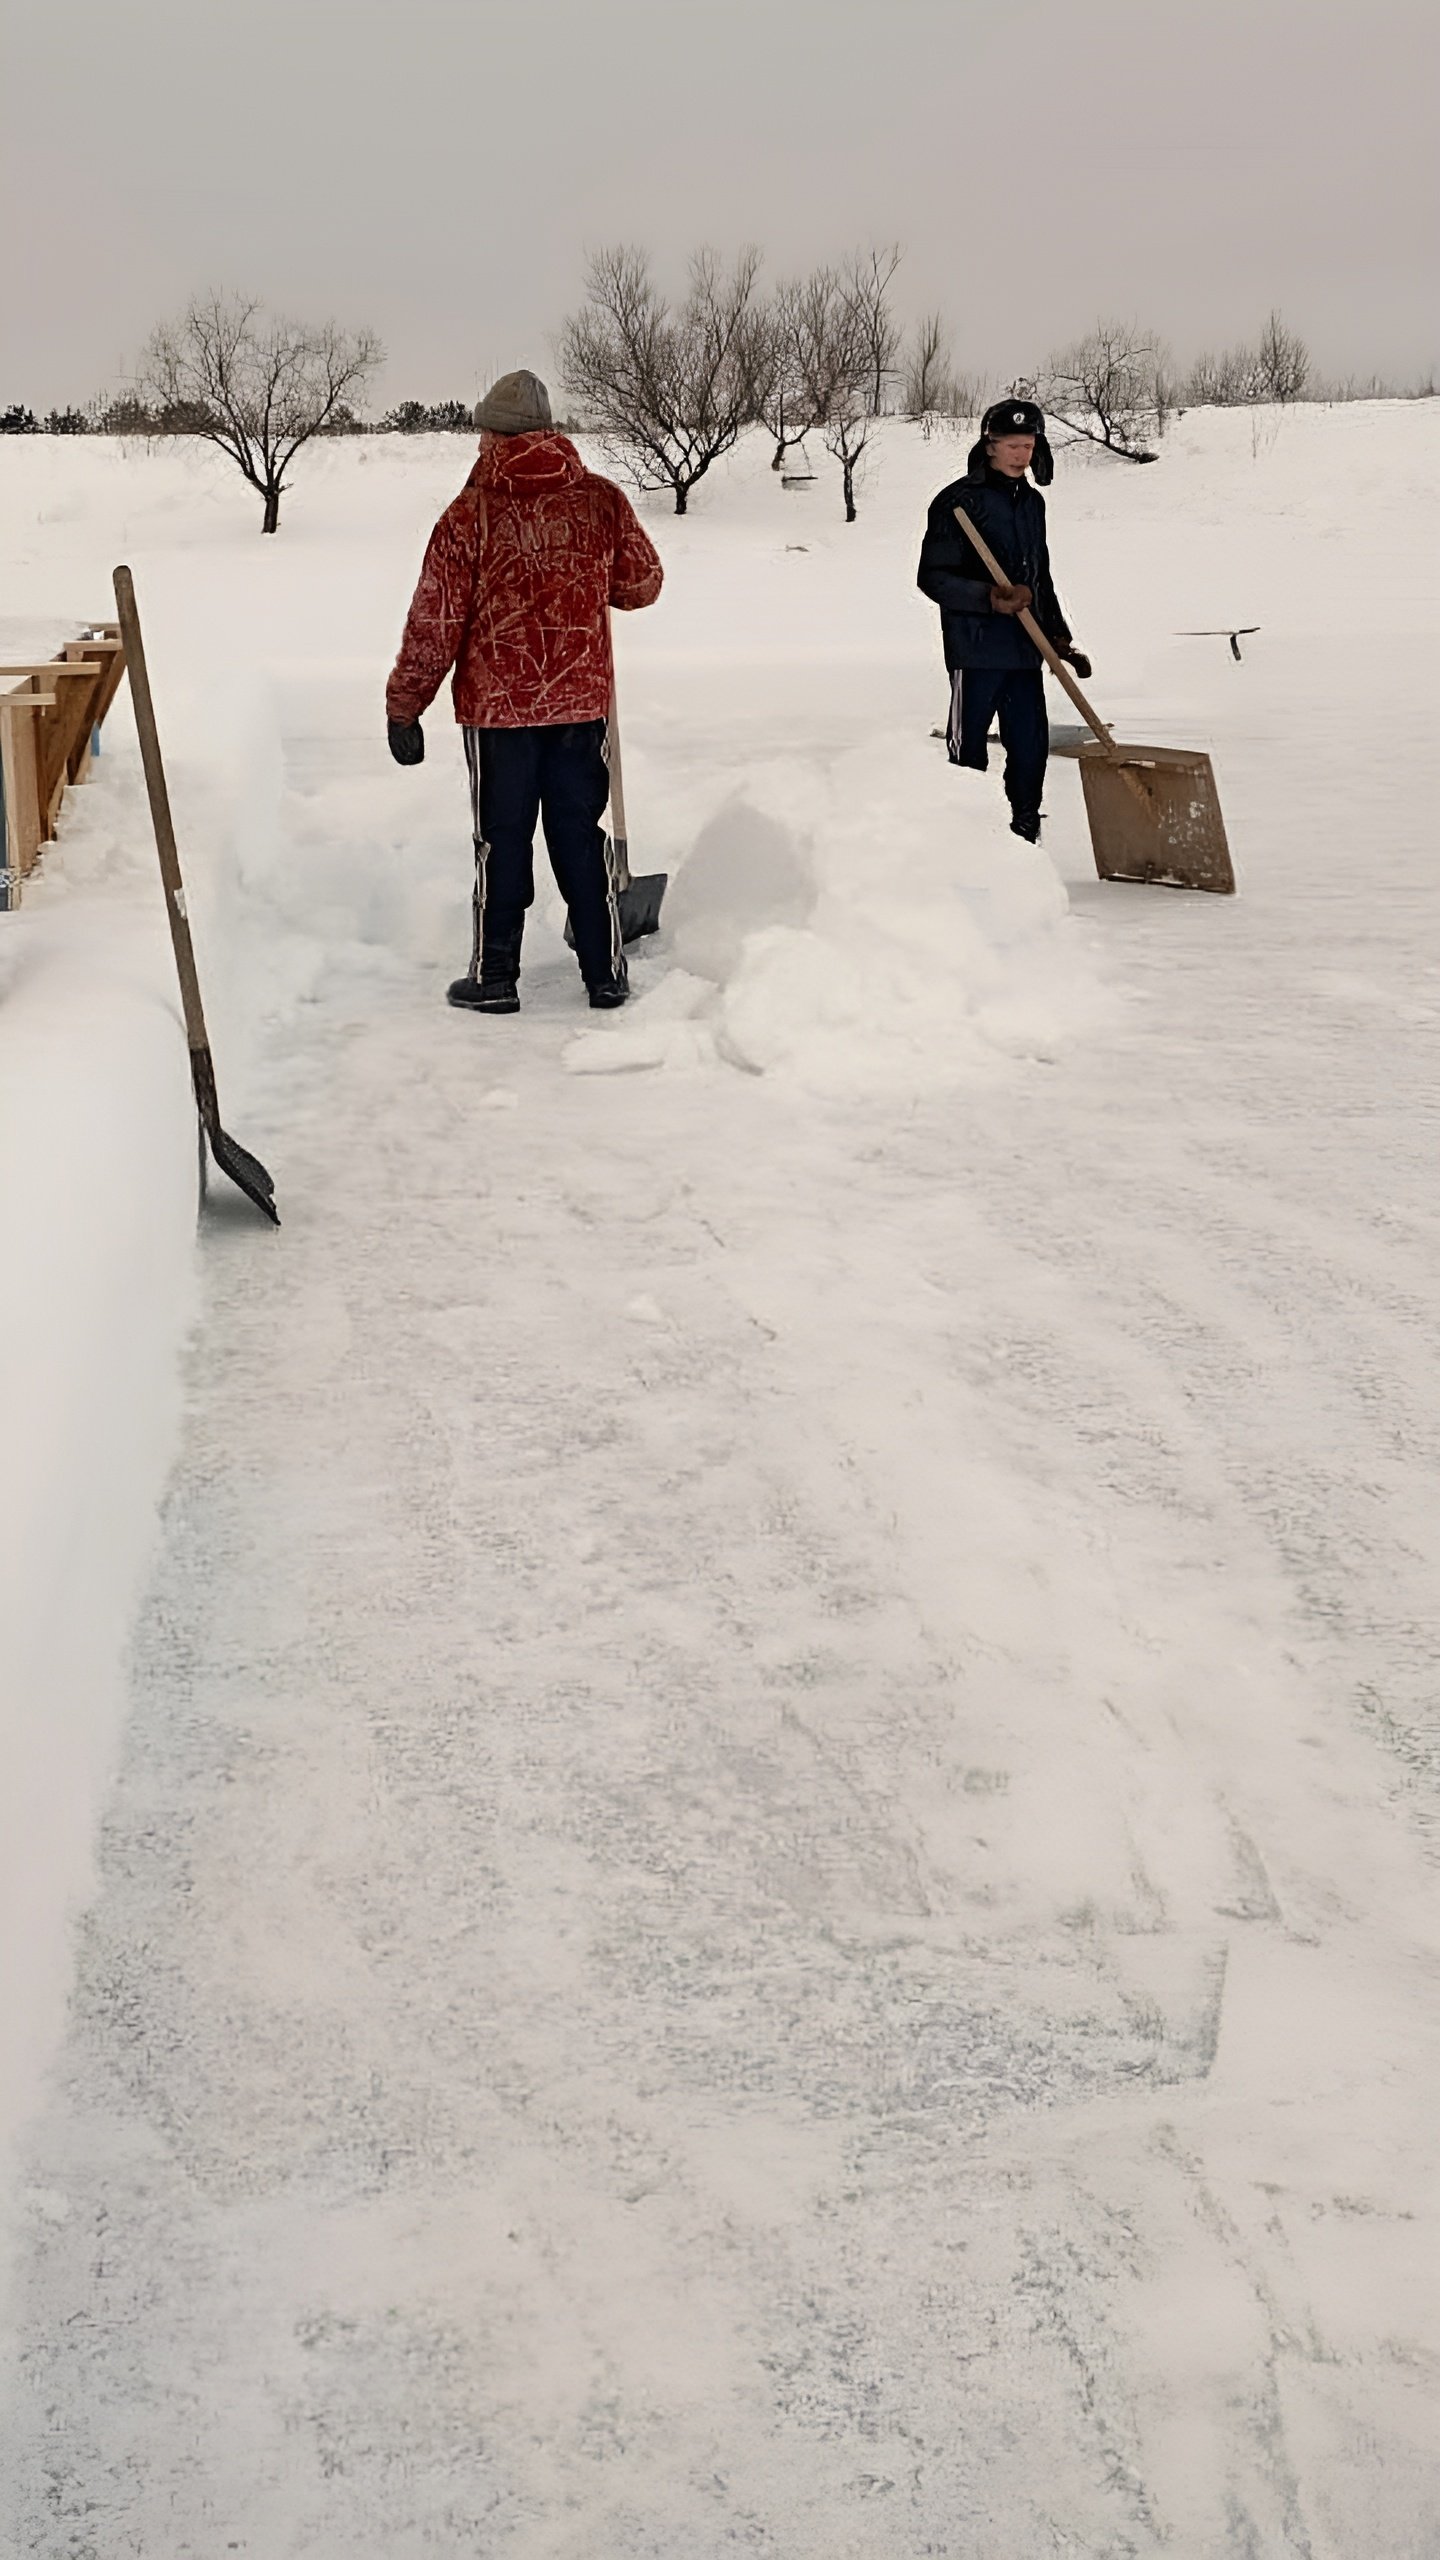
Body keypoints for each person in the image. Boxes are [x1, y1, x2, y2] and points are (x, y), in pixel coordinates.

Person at [386, 369, 664, 1013]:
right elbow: (642, 584)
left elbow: (435, 620)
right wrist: (590, 583)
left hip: (497, 714)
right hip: (579, 705)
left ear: (492, 434)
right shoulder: (600, 500)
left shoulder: (469, 513)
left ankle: (495, 977)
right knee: (578, 833)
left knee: (501, 839)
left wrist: (406, 705)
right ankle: (605, 975)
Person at [916, 397, 1090, 844]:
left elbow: (1040, 575)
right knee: (968, 751)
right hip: (975, 649)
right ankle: (965, 840)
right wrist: (989, 597)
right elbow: (932, 577)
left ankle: (1024, 832)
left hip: (1024, 650)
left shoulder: (1031, 503)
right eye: (1011, 445)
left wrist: (1058, 637)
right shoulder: (958, 502)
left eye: (1028, 445)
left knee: (1031, 749)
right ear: (989, 446)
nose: (1020, 454)